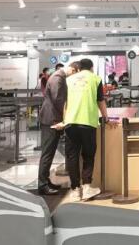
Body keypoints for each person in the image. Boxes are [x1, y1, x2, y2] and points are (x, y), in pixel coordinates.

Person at [53, 58, 113, 202]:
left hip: (71, 122)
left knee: (72, 156)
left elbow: (65, 103)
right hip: (88, 122)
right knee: (88, 155)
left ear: (79, 68)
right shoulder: (96, 79)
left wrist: (64, 121)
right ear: (91, 68)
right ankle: (86, 187)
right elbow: (100, 101)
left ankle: (75, 189)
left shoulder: (69, 80)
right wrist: (106, 118)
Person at [37, 62, 79, 195]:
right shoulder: (58, 78)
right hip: (51, 119)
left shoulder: (59, 77)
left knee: (50, 152)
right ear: (73, 69)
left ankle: (45, 180)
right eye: (75, 73)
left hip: (53, 118)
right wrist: (69, 114)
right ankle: (42, 185)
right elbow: (58, 100)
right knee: (47, 152)